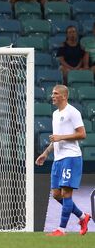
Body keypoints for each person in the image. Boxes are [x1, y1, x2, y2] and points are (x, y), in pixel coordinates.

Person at [35, 85, 90, 236]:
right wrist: (46, 153)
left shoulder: (73, 112)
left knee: (66, 193)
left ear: (64, 96)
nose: (52, 96)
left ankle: (61, 229)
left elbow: (82, 134)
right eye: (52, 93)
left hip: (71, 157)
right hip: (58, 159)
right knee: (56, 194)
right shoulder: (55, 114)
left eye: (55, 93)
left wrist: (61, 137)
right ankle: (82, 217)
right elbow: (56, 138)